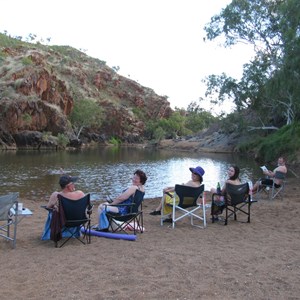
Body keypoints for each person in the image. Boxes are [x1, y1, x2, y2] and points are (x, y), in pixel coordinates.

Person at [42, 175, 85, 240]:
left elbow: (48, 207)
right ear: (68, 186)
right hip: (80, 220)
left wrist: (55, 206)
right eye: (73, 183)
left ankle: (53, 233)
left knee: (52, 213)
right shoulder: (80, 194)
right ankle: (74, 232)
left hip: (62, 221)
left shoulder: (56, 195)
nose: (74, 185)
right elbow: (88, 206)